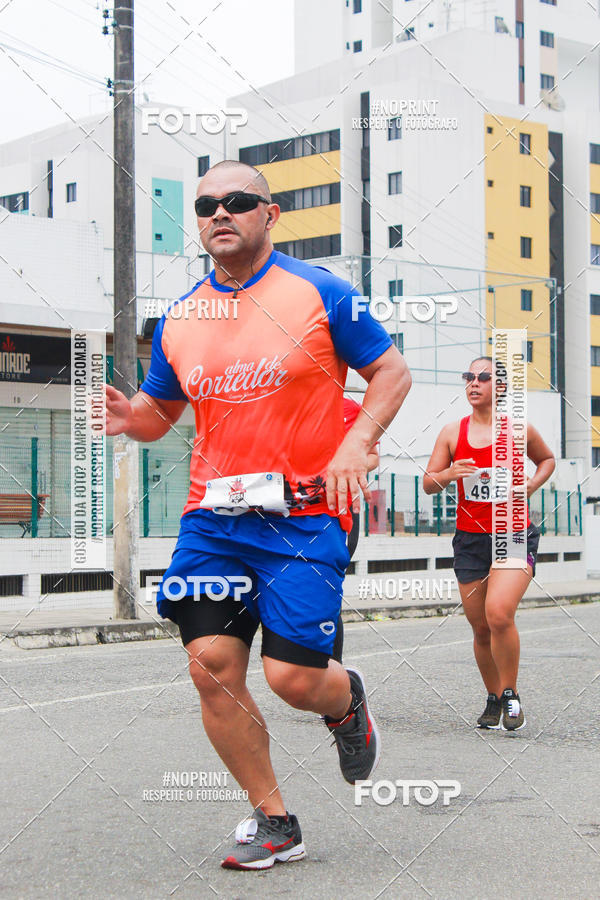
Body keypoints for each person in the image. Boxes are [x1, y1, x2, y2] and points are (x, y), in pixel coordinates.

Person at [105, 160, 411, 870]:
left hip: (306, 517)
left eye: (238, 201)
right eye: (208, 204)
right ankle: (275, 820)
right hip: (214, 521)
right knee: (210, 666)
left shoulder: (322, 293)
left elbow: (392, 373)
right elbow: (161, 415)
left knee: (293, 679)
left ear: (269, 214)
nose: (220, 213)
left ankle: (344, 703)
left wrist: (357, 443)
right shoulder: (181, 318)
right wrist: (131, 417)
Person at [423, 356, 554, 731]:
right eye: (469, 377)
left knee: (499, 613)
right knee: (480, 627)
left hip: (513, 531)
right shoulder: (452, 432)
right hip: (470, 540)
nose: (473, 383)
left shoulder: (518, 429)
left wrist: (532, 483)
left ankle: (511, 694)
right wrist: (450, 472)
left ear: (500, 387)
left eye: (483, 377)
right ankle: (493, 697)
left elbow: (546, 460)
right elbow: (429, 483)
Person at [331, 396, 380, 663]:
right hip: (282, 516)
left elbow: (372, 456)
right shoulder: (282, 402)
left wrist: (350, 465)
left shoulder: (351, 409)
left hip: (339, 513)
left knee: (328, 592)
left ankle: (334, 677)